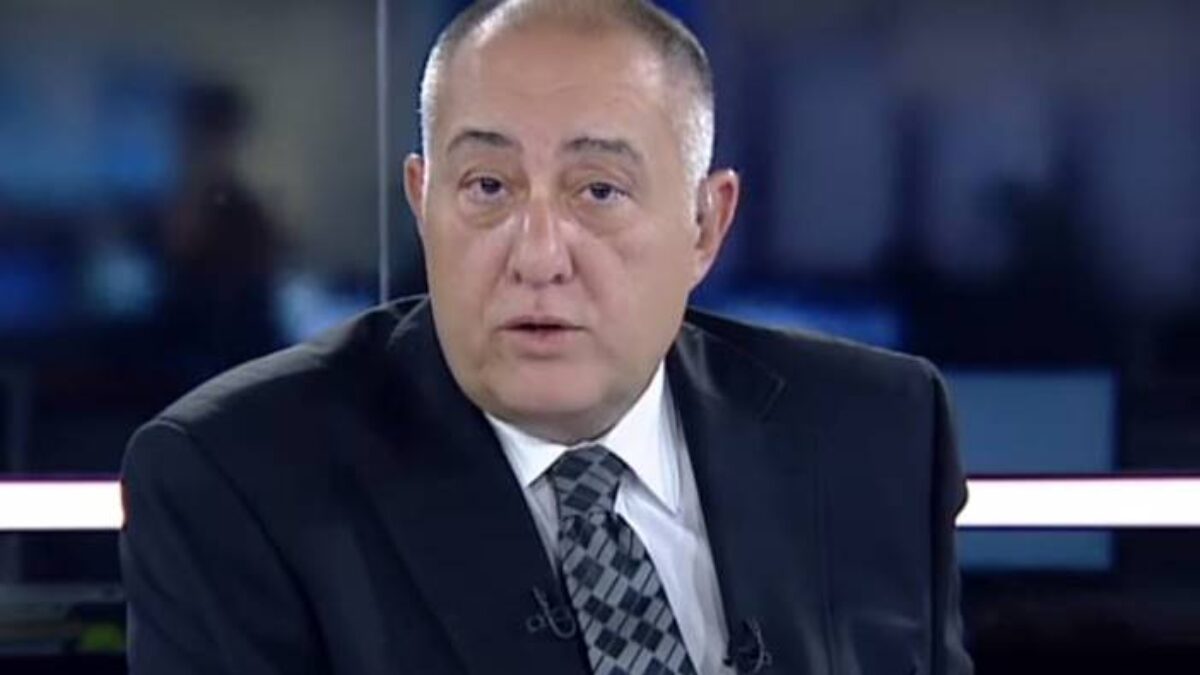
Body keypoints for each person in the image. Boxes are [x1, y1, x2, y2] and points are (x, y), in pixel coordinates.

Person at [119, 1, 973, 673]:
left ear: (705, 225)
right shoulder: (235, 478)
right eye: (487, 187)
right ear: (422, 204)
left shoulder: (877, 430)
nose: (536, 255)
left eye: (598, 191)